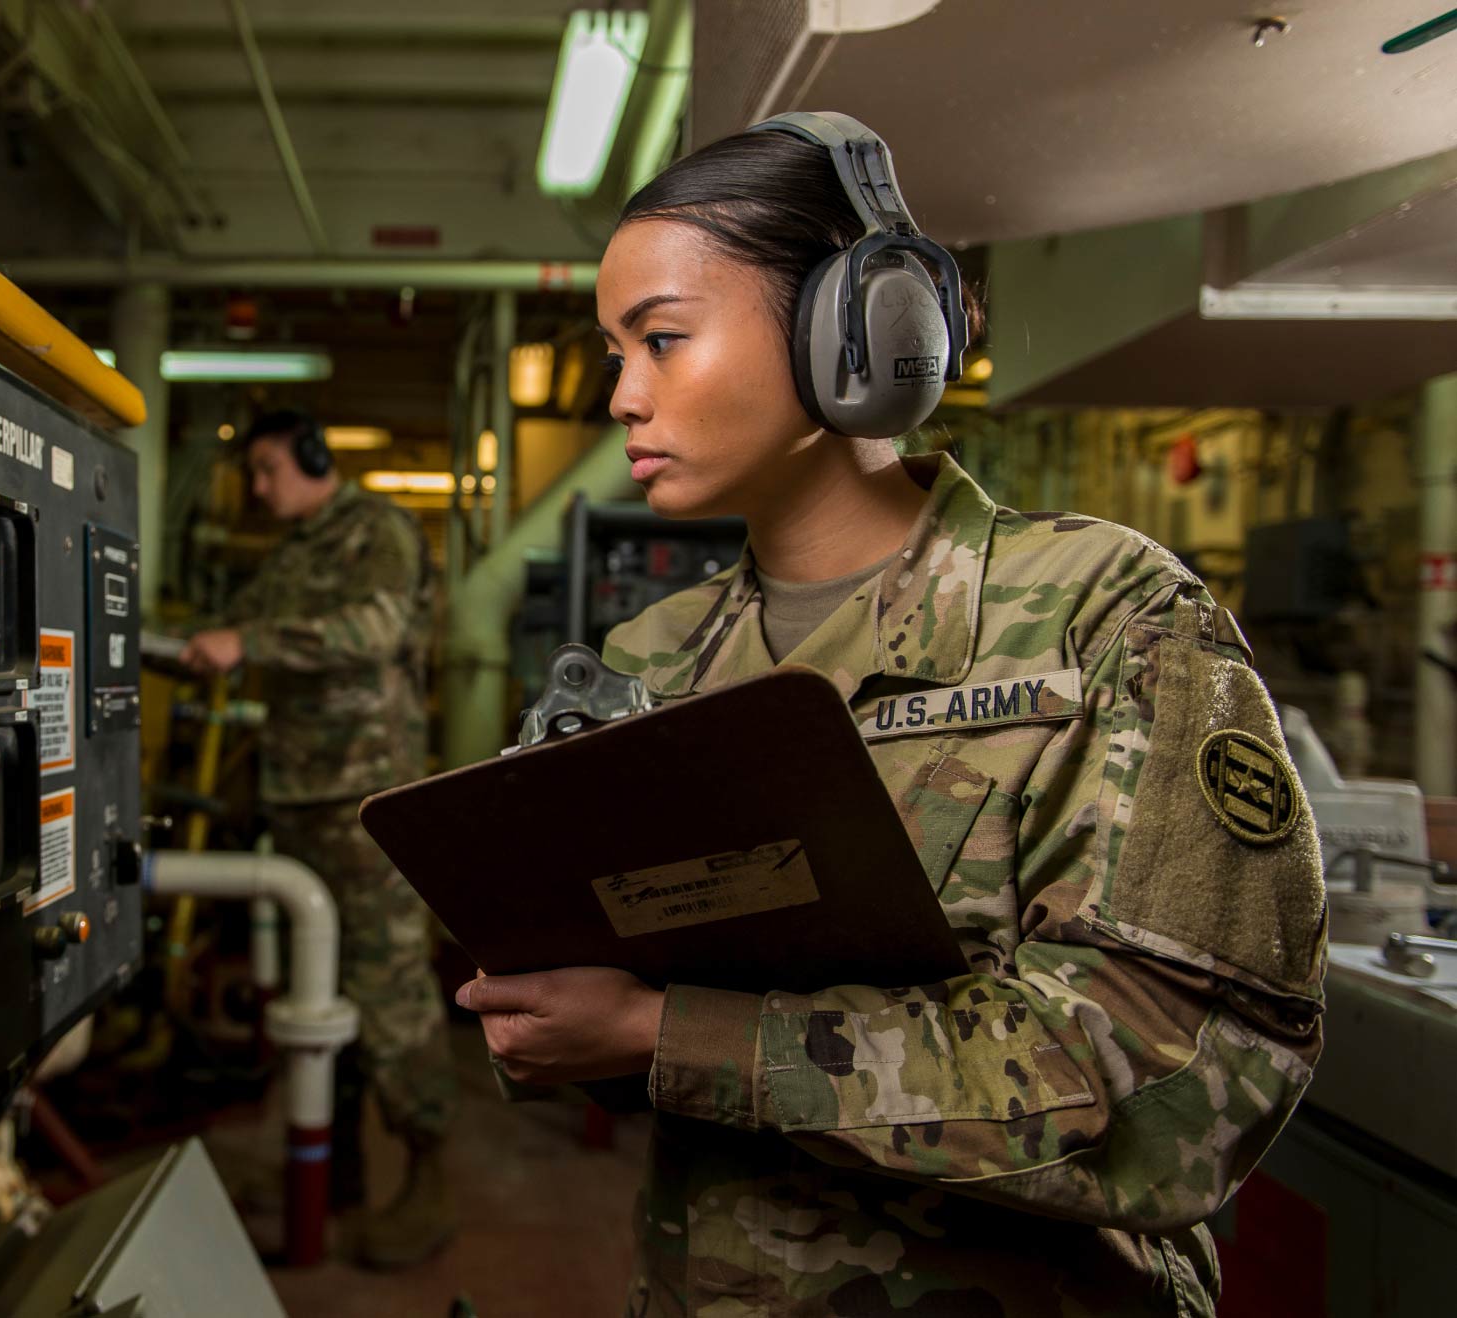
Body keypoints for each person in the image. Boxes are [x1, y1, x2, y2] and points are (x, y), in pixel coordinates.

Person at [455, 116, 1325, 1315]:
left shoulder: (1103, 616)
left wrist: (671, 1033)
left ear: (854, 335)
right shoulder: (650, 658)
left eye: (660, 340)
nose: (621, 397)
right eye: (614, 351)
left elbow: (1172, 1083)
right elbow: (615, 1019)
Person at [180, 409, 458, 1268]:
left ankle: (430, 1170)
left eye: (266, 470)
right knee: (318, 991)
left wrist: (249, 642)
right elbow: (229, 635)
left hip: (363, 797)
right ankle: (332, 1173)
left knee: (388, 990)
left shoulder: (376, 532)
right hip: (297, 796)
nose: (258, 490)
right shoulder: (293, 551)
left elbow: (371, 631)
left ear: (309, 457)